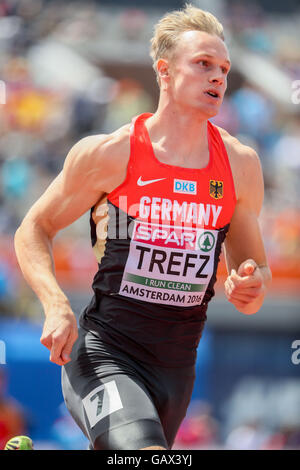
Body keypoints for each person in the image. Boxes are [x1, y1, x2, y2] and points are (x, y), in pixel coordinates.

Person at [14, 4, 272, 450]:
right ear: (165, 72)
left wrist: (251, 283)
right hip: (104, 352)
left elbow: (254, 272)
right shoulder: (110, 154)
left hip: (177, 368)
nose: (218, 78)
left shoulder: (240, 165)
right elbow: (33, 227)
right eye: (204, 64)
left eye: (225, 69)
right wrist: (55, 304)